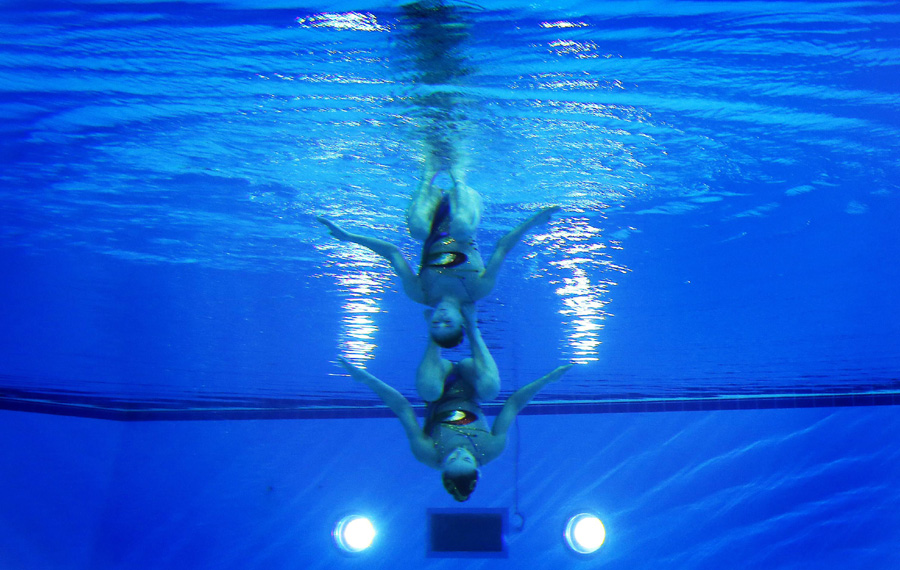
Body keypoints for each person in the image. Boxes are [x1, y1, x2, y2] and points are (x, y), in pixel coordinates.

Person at [317, 175, 559, 351]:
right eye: (448, 323)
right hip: (465, 204)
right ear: (462, 320)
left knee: (418, 230)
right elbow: (503, 247)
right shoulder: (478, 290)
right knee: (462, 229)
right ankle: (459, 174)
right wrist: (533, 222)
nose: (441, 317)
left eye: (436, 323)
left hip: (430, 209)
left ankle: (428, 173)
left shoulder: (420, 293)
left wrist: (348, 237)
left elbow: (392, 253)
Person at [336, 355, 572, 501]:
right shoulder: (490, 448)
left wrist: (366, 380)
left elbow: (402, 408)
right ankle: (471, 325)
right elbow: (514, 404)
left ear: (442, 467)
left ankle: (435, 334)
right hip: (470, 381)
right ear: (477, 467)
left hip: (441, 383)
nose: (459, 452)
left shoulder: (428, 453)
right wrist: (548, 379)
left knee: (428, 389)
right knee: (491, 390)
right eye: (466, 459)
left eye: (452, 459)